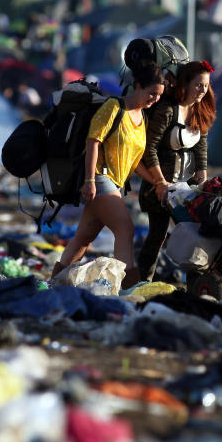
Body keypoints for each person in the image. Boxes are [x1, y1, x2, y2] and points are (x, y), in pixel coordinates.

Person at [50, 61, 165, 289]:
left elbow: (135, 163)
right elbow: (93, 142)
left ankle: (53, 283)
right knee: (126, 230)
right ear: (138, 86)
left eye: (159, 95)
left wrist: (159, 182)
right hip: (100, 179)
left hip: (115, 184)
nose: (155, 99)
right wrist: (89, 180)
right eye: (152, 93)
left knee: (84, 239)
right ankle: (128, 288)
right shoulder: (114, 107)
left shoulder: (142, 120)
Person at [136, 60, 217, 281]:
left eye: (206, 86)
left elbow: (201, 142)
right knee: (157, 236)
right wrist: (160, 182)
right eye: (198, 85)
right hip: (161, 186)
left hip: (187, 186)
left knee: (196, 235)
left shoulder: (200, 108)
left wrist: (202, 170)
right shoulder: (167, 110)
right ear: (186, 84)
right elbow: (148, 148)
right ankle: (143, 282)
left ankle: (197, 284)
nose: (202, 90)